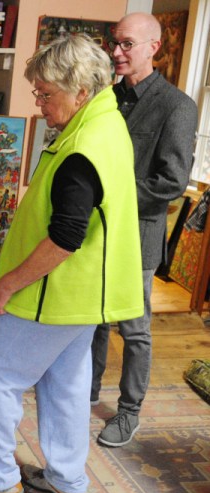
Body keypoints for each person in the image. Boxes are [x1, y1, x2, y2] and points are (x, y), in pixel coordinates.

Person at [0, 34, 143, 493]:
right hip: (84, 295)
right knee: (66, 383)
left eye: (45, 94)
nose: (39, 103)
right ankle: (67, 478)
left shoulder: (83, 147)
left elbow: (66, 236)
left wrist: (7, 284)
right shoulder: (107, 124)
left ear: (80, 90)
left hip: (53, 294)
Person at [90, 13, 198, 448]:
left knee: (132, 329)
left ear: (154, 47)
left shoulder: (178, 106)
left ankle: (128, 412)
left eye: (127, 44)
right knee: (93, 322)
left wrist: (110, 194)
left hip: (138, 237)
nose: (117, 52)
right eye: (115, 43)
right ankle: (87, 393)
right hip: (95, 232)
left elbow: (171, 183)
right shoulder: (105, 98)